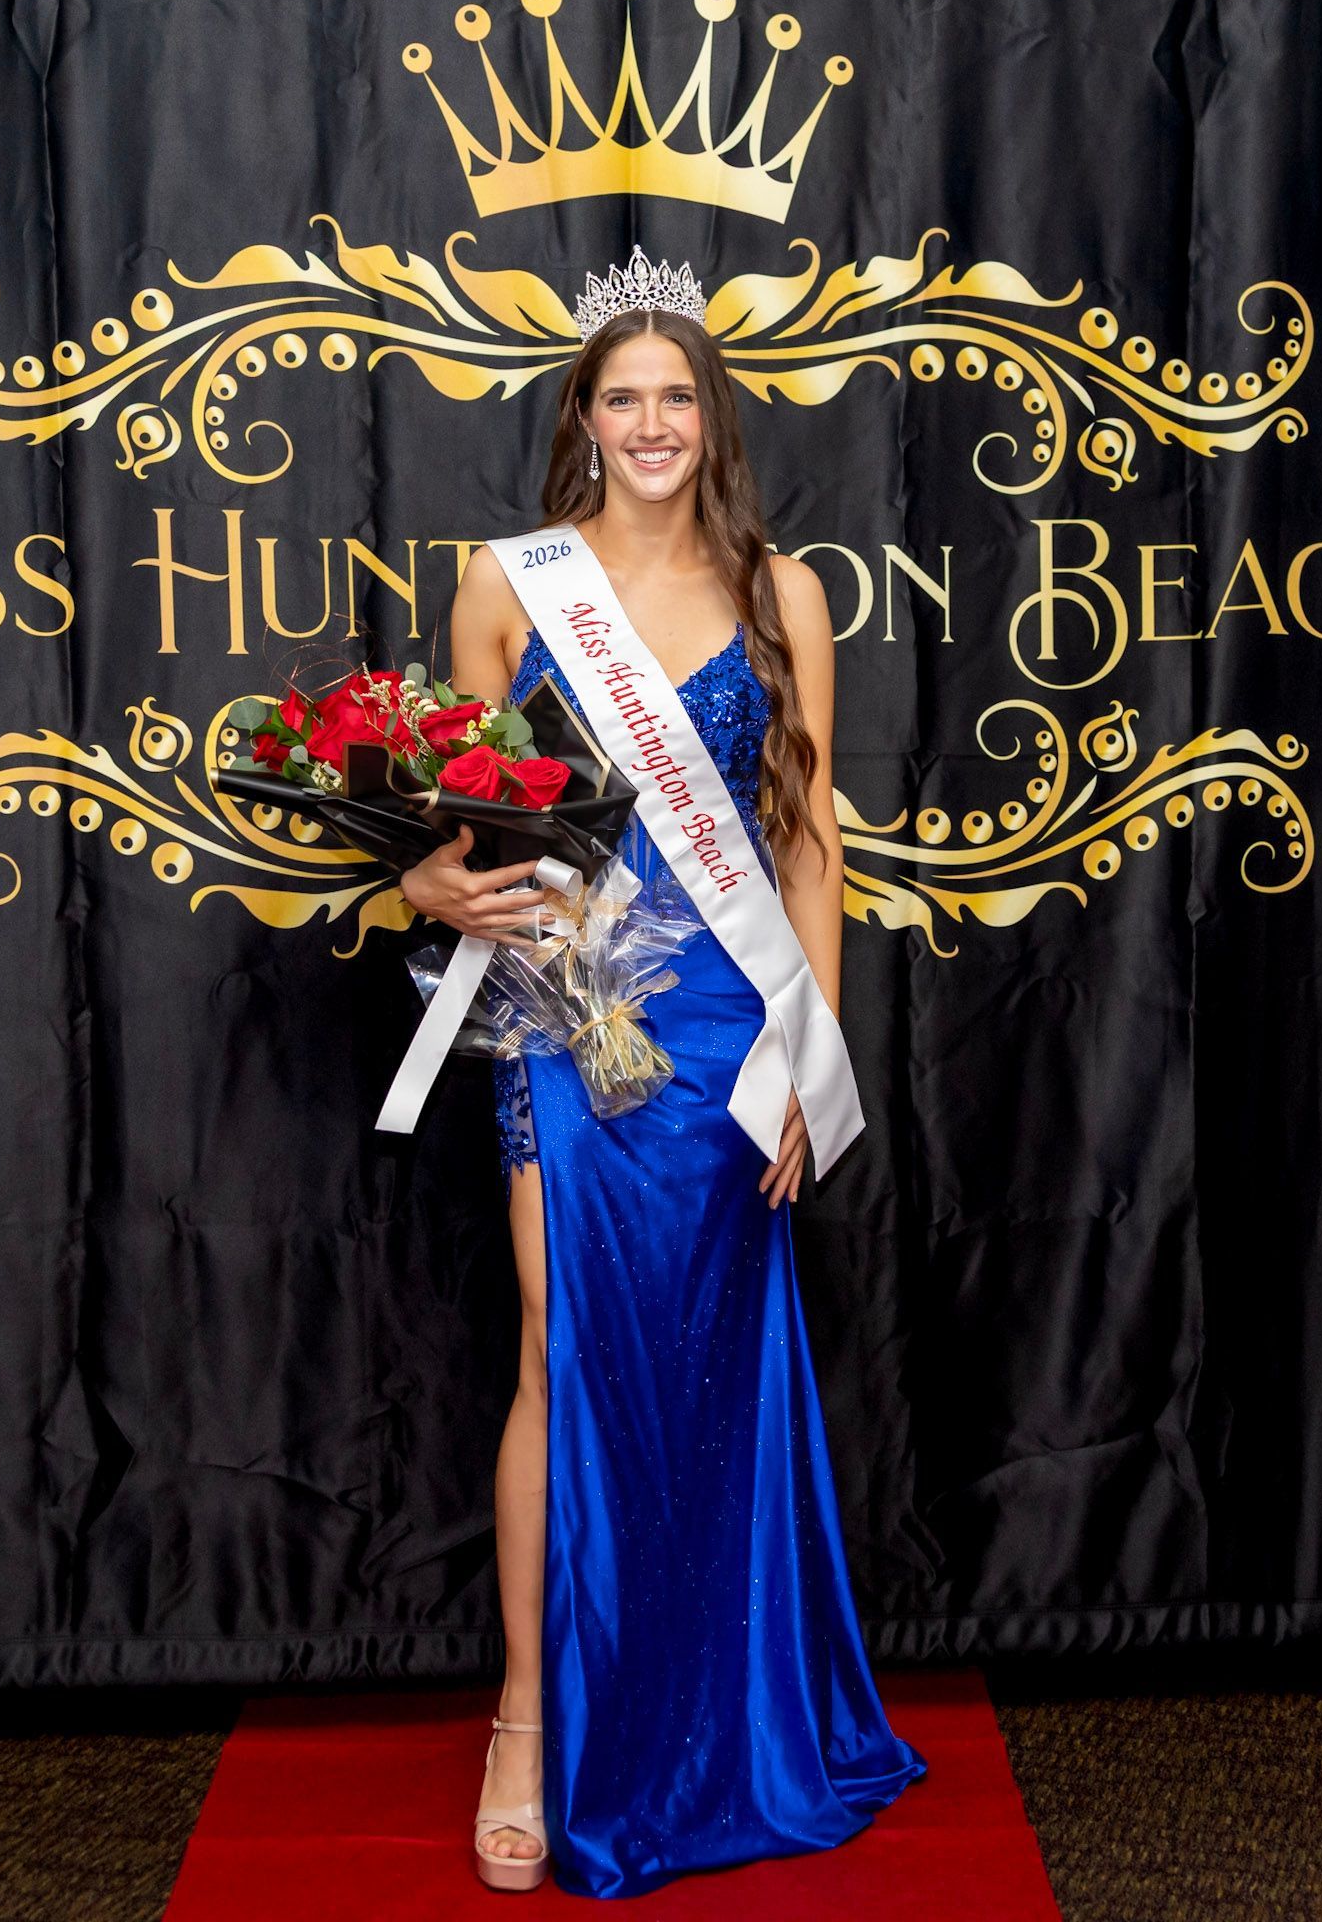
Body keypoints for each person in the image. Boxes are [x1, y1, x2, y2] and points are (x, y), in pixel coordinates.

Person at [399, 252, 927, 1898]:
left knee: (715, 1358)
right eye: (620, 397)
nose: (649, 423)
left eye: (675, 397)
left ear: (713, 418)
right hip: (568, 1005)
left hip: (727, 1029)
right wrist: (428, 885)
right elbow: (449, 825)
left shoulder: (786, 596)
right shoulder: (508, 582)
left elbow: (810, 844)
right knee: (563, 1343)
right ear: (584, 417)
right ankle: (525, 1722)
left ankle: (710, 1707)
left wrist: (802, 1056)